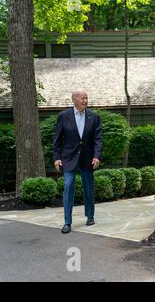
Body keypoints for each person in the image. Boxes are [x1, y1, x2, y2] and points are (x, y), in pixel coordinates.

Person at [53, 90, 103, 234]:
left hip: (88, 158)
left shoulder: (94, 117)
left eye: (87, 98)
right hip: (68, 158)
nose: (86, 101)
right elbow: (57, 139)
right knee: (68, 185)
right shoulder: (63, 116)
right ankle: (67, 222)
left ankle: (90, 216)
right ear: (74, 100)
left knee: (88, 186)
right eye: (83, 98)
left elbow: (98, 139)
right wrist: (57, 157)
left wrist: (97, 156)